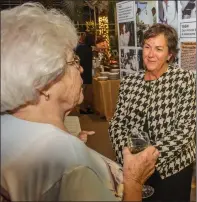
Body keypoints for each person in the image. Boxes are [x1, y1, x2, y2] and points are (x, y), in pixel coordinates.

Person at [1, 3, 159, 201]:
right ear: (42, 84)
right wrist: (134, 181)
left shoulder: (7, 126)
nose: (81, 69)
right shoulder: (71, 164)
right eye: (73, 61)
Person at [109, 23, 196, 201]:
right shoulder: (129, 82)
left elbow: (186, 129)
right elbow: (117, 124)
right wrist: (127, 156)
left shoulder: (184, 80)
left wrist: (148, 157)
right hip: (134, 166)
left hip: (173, 168)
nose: (150, 54)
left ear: (169, 54)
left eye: (158, 49)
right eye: (147, 47)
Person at [76, 33, 94, 114]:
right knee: (84, 90)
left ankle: (84, 107)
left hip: (84, 71)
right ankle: (83, 108)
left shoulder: (81, 48)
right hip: (85, 71)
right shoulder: (88, 48)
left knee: (84, 90)